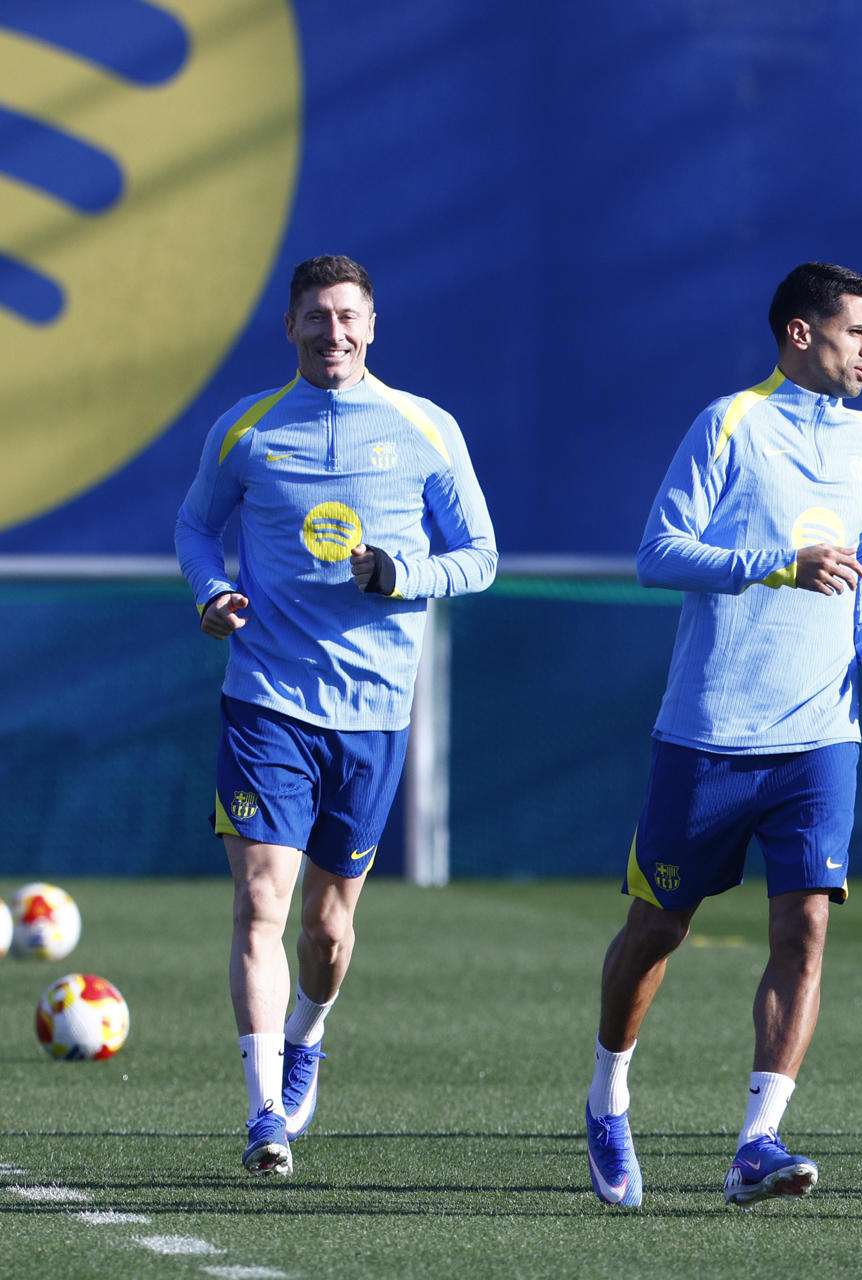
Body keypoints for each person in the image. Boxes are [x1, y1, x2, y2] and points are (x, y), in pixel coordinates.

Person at [584, 262, 862, 1212]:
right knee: (657, 929)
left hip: (822, 731)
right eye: (857, 333)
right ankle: (607, 1093)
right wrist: (776, 565)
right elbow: (658, 554)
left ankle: (757, 1141)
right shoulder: (729, 421)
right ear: (802, 334)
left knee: (804, 926)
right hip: (711, 732)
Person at [175, 254, 498, 1176]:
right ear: (291, 328)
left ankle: (309, 1033)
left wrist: (406, 575)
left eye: (348, 316)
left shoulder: (424, 428)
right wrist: (211, 592)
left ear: (372, 324)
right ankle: (264, 1113)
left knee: (325, 929)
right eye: (316, 317)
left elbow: (478, 555)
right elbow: (196, 525)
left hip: (374, 711)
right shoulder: (247, 429)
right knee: (260, 903)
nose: (334, 332)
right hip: (265, 699)